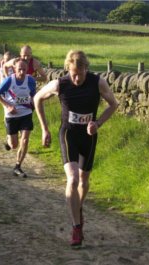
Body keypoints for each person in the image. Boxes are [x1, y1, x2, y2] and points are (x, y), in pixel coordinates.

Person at [34, 50, 119, 247]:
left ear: (86, 69)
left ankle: (77, 208)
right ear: (68, 69)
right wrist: (45, 129)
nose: (77, 77)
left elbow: (113, 104)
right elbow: (37, 98)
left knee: (84, 181)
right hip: (68, 134)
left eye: (80, 73)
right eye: (73, 73)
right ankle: (76, 227)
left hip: (88, 137)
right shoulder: (60, 84)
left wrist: (97, 124)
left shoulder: (97, 82)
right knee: (72, 179)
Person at [0, 59, 37, 178]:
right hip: (11, 115)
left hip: (26, 114)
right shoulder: (9, 80)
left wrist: (35, 105)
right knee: (13, 145)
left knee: (25, 140)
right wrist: (7, 106)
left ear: (27, 69)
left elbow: (33, 95)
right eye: (19, 69)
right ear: (15, 69)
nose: (22, 72)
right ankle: (8, 139)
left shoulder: (31, 81)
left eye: (24, 69)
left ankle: (18, 166)